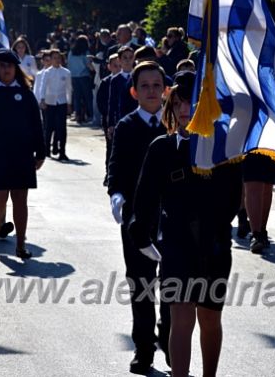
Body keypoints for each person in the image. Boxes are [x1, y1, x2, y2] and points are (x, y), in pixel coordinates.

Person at [129, 71, 241, 377]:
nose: (183, 109)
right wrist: (140, 233)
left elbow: (234, 199)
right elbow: (145, 199)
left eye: (190, 102)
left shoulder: (223, 148)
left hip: (214, 244)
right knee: (180, 317)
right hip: (177, 243)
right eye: (177, 103)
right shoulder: (161, 148)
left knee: (209, 318)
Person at [107, 61, 170, 374]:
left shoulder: (175, 125)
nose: (151, 91)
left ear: (165, 89)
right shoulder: (127, 126)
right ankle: (143, 349)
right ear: (134, 91)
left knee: (174, 285)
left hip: (173, 219)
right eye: (144, 86)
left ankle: (170, 338)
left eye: (157, 85)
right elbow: (115, 167)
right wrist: (116, 195)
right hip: (137, 220)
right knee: (142, 285)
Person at [0, 49, 46, 259]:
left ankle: (21, 244)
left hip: (22, 153)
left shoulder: (25, 92)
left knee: (20, 199)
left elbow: (36, 123)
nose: (6, 70)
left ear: (16, 68)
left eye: (10, 66)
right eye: (2, 66)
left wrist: (40, 152)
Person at [39, 50, 73, 162]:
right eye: (54, 58)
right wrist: (42, 99)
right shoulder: (47, 72)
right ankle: (47, 149)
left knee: (61, 128)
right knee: (49, 127)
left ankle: (62, 151)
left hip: (61, 102)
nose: (56, 60)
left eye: (58, 58)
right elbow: (43, 86)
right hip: (50, 102)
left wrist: (69, 102)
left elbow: (69, 88)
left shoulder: (66, 72)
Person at [96, 53, 121, 185]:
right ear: (109, 67)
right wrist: (108, 116)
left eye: (119, 65)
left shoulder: (125, 81)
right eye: (115, 65)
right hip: (109, 120)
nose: (117, 68)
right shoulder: (106, 82)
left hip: (122, 119)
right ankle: (109, 173)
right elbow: (101, 102)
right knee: (110, 148)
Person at [67, 34, 94, 123]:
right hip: (84, 76)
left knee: (76, 97)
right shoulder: (85, 52)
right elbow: (89, 65)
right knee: (88, 97)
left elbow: (69, 64)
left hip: (74, 76)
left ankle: (78, 114)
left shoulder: (71, 52)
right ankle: (91, 115)